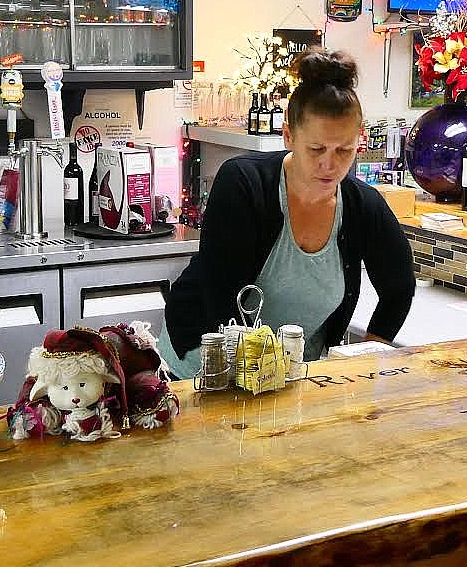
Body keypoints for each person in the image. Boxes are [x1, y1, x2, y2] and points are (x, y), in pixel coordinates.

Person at [160, 49, 415, 378]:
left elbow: (399, 289)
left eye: (344, 150)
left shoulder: (363, 206)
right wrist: (258, 373)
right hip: (202, 365)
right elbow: (220, 294)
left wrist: (364, 358)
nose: (330, 164)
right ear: (288, 135)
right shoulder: (244, 183)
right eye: (317, 149)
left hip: (291, 375)